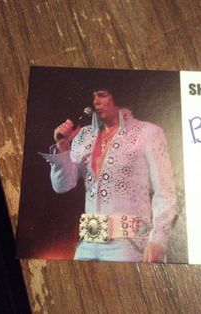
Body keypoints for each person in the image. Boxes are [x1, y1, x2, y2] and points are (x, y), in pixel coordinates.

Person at [41, 88, 177, 262]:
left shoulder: (148, 132)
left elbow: (165, 190)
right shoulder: (84, 136)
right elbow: (62, 186)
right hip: (87, 243)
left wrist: (158, 240)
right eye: (92, 97)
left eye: (102, 95)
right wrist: (63, 147)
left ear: (118, 95)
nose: (96, 101)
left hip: (129, 244)